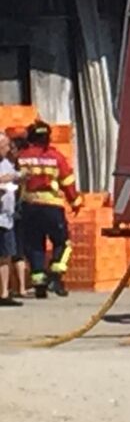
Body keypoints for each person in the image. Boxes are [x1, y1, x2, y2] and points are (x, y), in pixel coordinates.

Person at [18, 120, 83, 298]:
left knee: (34, 245)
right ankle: (56, 275)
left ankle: (39, 283)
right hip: (52, 207)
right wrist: (76, 202)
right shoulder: (56, 157)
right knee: (63, 243)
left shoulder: (21, 156)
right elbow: (67, 182)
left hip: (29, 207)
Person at [0, 134, 22, 306]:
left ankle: (4, 293)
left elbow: (14, 175)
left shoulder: (6, 163)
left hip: (6, 218)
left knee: (5, 256)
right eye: (5, 146)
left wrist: (20, 176)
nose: (8, 149)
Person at [6, 128, 28, 299]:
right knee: (15, 251)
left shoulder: (13, 167)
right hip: (15, 211)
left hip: (13, 211)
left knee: (12, 251)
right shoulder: (19, 166)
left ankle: (18, 287)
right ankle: (18, 288)